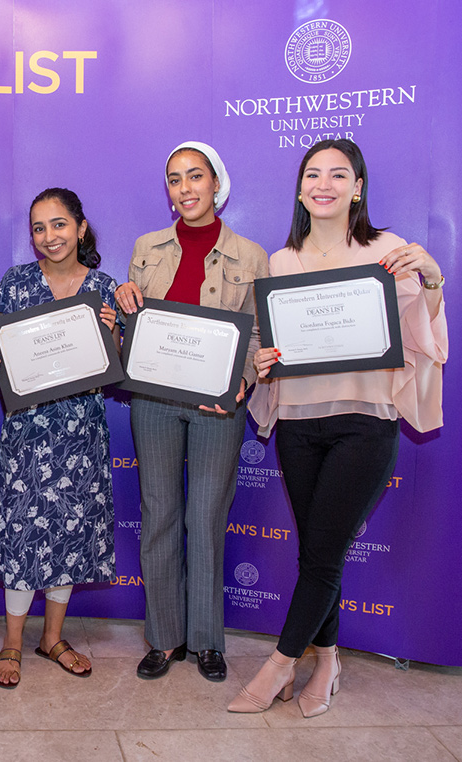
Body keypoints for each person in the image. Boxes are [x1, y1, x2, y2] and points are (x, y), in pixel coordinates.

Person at [233, 139, 447, 716]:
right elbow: (270, 349)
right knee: (317, 552)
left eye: (338, 174)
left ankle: (282, 661)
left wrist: (432, 279)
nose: (323, 183)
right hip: (300, 423)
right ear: (300, 188)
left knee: (322, 555)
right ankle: (327, 659)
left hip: (364, 423)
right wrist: (263, 363)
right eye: (312, 174)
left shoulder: (389, 250)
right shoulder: (282, 262)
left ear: (358, 186)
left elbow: (423, 337)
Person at [115, 142, 268, 683]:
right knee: (159, 515)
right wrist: (123, 299)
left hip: (216, 407)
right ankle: (164, 639)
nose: (185, 189)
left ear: (216, 183)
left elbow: (256, 333)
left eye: (195, 177)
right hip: (154, 401)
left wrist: (242, 383)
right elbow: (132, 325)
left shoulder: (250, 254)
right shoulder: (146, 247)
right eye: (175, 180)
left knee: (205, 518)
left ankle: (206, 640)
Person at [0, 188, 118, 688]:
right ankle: (13, 642)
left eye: (59, 225)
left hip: (81, 431)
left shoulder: (106, 289)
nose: (49, 237)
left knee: (67, 530)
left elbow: (117, 368)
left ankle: (53, 638)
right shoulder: (16, 284)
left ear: (80, 228)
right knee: (22, 533)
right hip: (28, 430)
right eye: (38, 228)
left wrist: (114, 335)